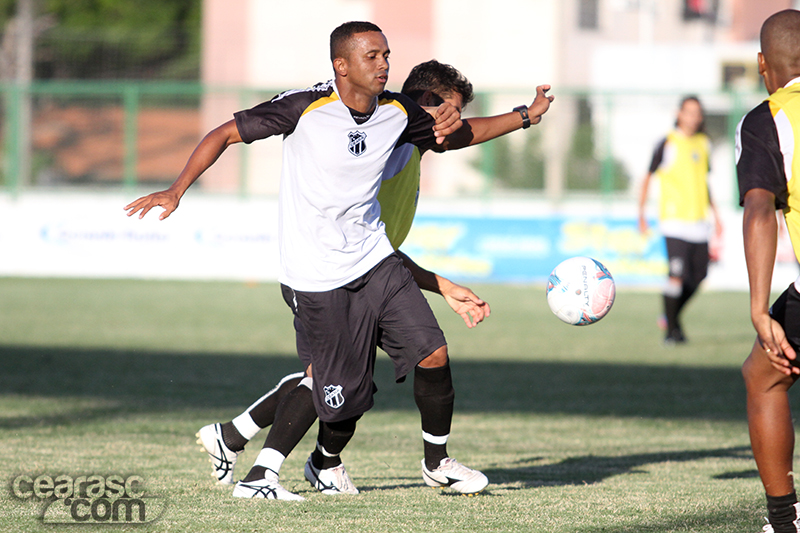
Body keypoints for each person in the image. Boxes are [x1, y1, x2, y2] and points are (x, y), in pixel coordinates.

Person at [126, 22, 550, 501]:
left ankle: (436, 462)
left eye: (387, 54)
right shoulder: (304, 107)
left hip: (375, 262)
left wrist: (526, 115)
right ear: (341, 65)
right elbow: (225, 134)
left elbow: (461, 134)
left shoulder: (397, 113)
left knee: (432, 352)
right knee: (337, 390)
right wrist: (176, 190)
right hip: (316, 272)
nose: (384, 64)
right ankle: (259, 468)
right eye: (372, 56)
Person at [738, 9, 800, 533]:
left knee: (764, 376)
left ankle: (784, 520)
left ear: (763, 63)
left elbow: (760, 209)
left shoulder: (770, 118)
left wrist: (760, 308)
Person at [638, 95, 723, 345]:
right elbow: (647, 178)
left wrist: (716, 214)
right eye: (689, 112)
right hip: (674, 221)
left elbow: (704, 181)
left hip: (699, 222)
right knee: (675, 275)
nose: (693, 117)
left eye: (698, 113)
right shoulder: (667, 143)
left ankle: (670, 315)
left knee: (699, 277)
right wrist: (641, 215)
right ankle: (671, 332)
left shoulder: (704, 143)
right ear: (679, 114)